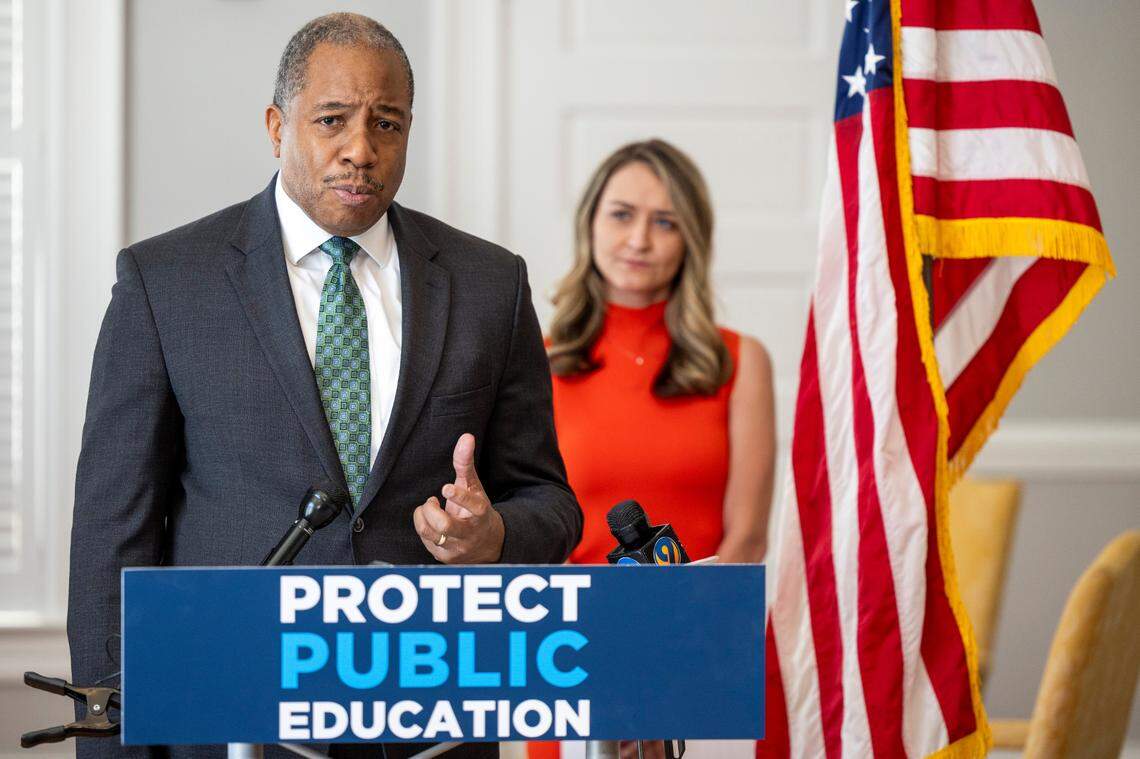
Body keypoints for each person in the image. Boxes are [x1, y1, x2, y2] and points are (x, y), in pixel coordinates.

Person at [66, 13, 580, 759]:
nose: (360, 150)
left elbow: (550, 502)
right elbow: (112, 537)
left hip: (433, 727)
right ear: (278, 126)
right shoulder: (166, 283)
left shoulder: (489, 285)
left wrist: (493, 533)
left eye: (388, 123)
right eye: (332, 120)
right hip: (230, 719)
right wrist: (114, 742)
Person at [535, 139, 775, 759]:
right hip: (571, 660)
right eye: (621, 214)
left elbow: (744, 542)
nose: (639, 239)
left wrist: (672, 666)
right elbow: (531, 534)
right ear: (589, 222)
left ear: (691, 238)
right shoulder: (535, 360)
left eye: (664, 221)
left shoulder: (741, 363)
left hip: (702, 654)